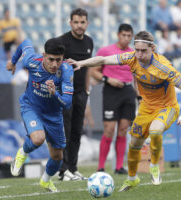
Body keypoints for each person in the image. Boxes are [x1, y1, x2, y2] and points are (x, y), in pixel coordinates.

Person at [68, 31, 181, 191]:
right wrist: (82, 63)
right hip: (146, 109)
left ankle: (154, 166)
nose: (139, 54)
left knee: (155, 131)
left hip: (166, 107)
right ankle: (132, 179)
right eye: (137, 50)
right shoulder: (131, 57)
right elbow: (104, 59)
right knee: (134, 144)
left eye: (143, 51)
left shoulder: (163, 66)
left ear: (152, 48)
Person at [7, 38, 74, 192]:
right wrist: (13, 61)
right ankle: (22, 153)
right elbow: (25, 42)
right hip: (31, 107)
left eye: (59, 60)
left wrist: (55, 94)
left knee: (57, 157)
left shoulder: (66, 71)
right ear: (44, 55)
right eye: (51, 59)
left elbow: (68, 103)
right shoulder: (31, 61)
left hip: (54, 114)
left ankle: (45, 181)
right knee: (38, 138)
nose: (55, 64)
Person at [92, 24, 136, 174]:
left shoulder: (133, 54)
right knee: (109, 129)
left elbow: (137, 76)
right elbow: (93, 71)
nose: (126, 38)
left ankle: (119, 166)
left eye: (129, 36)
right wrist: (108, 79)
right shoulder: (105, 51)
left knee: (123, 129)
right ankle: (101, 167)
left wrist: (139, 95)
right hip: (111, 91)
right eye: (123, 35)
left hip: (128, 91)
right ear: (118, 35)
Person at [57, 8, 94, 181]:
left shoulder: (89, 42)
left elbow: (87, 69)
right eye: (76, 22)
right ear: (70, 23)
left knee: (77, 132)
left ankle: (73, 167)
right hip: (65, 93)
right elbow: (54, 66)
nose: (79, 26)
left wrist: (87, 92)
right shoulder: (62, 42)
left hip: (81, 93)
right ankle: (63, 170)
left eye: (82, 22)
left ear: (87, 23)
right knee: (66, 131)